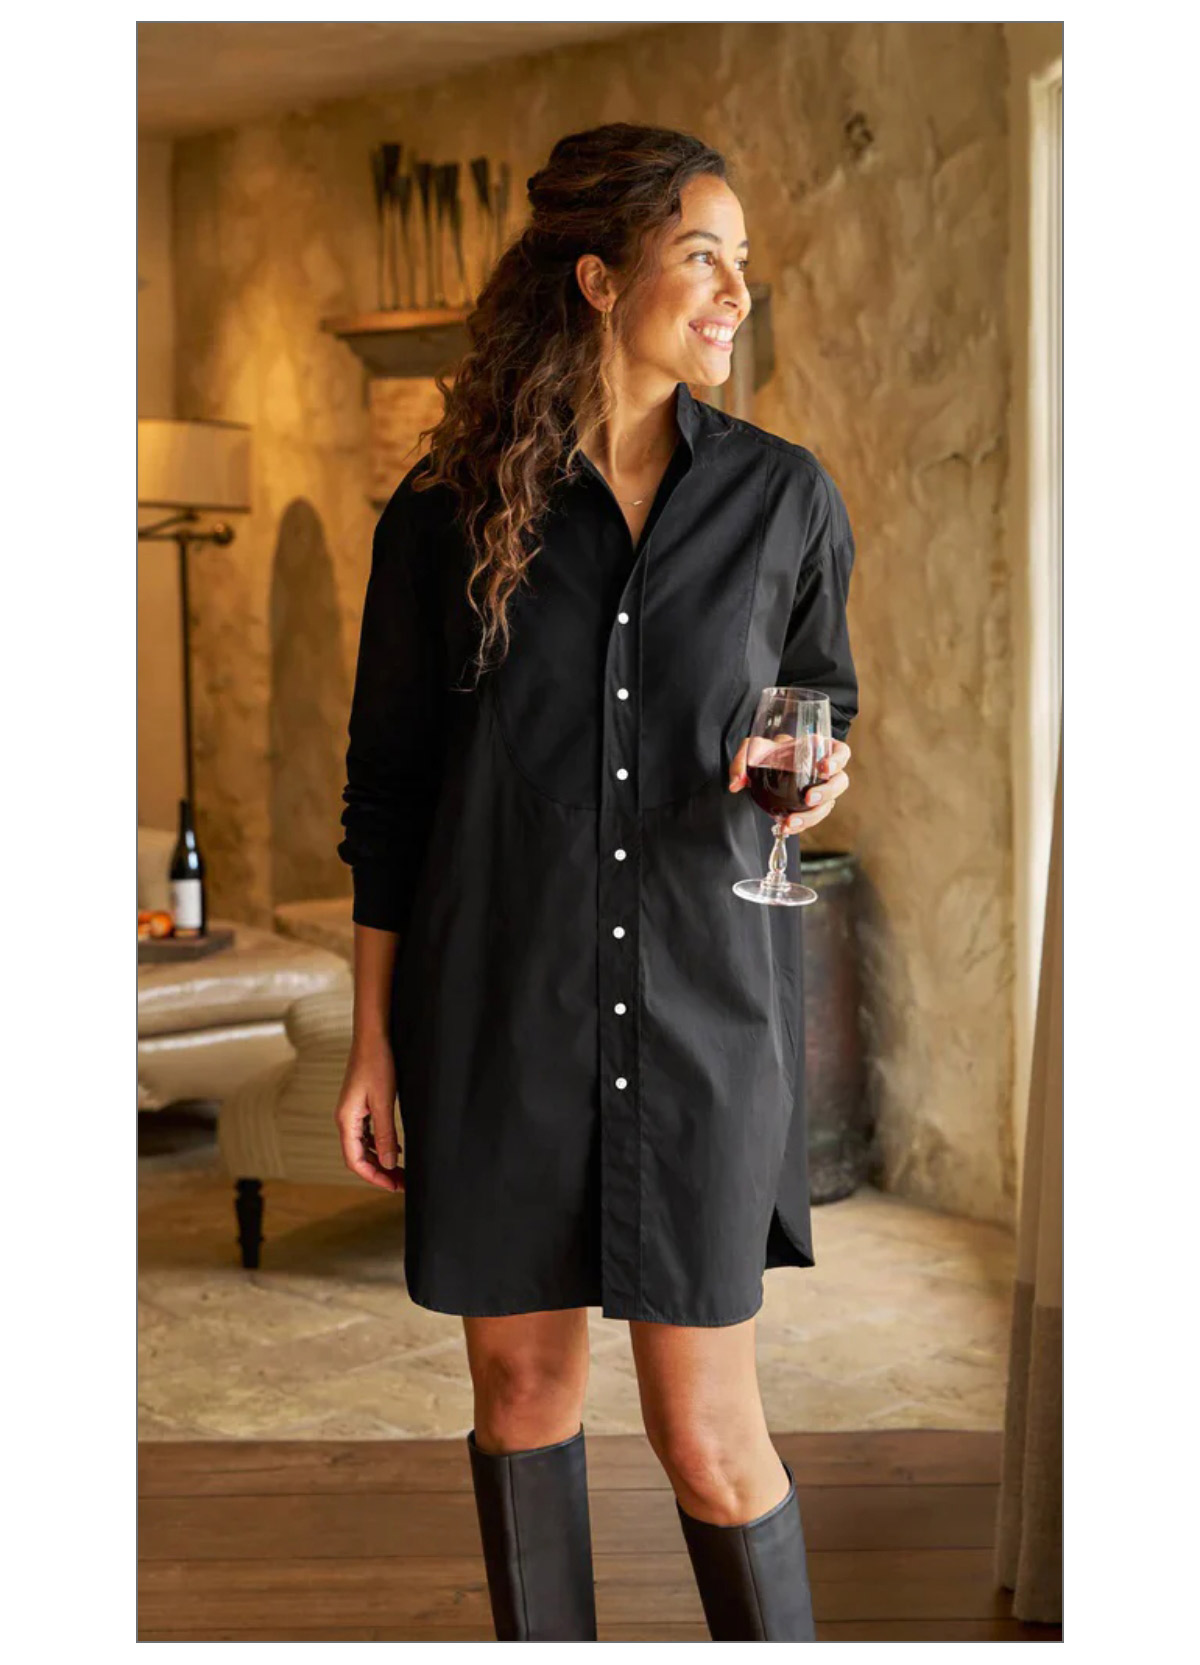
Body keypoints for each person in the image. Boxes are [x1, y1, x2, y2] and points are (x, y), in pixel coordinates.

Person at [333, 122, 858, 1643]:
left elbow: (822, 718)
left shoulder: (784, 501)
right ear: (596, 275)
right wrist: (375, 1041)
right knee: (523, 1391)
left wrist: (818, 779)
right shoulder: (438, 522)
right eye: (704, 253)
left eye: (742, 263)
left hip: (703, 1017)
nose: (735, 291)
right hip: (501, 1012)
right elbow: (391, 800)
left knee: (707, 1432)